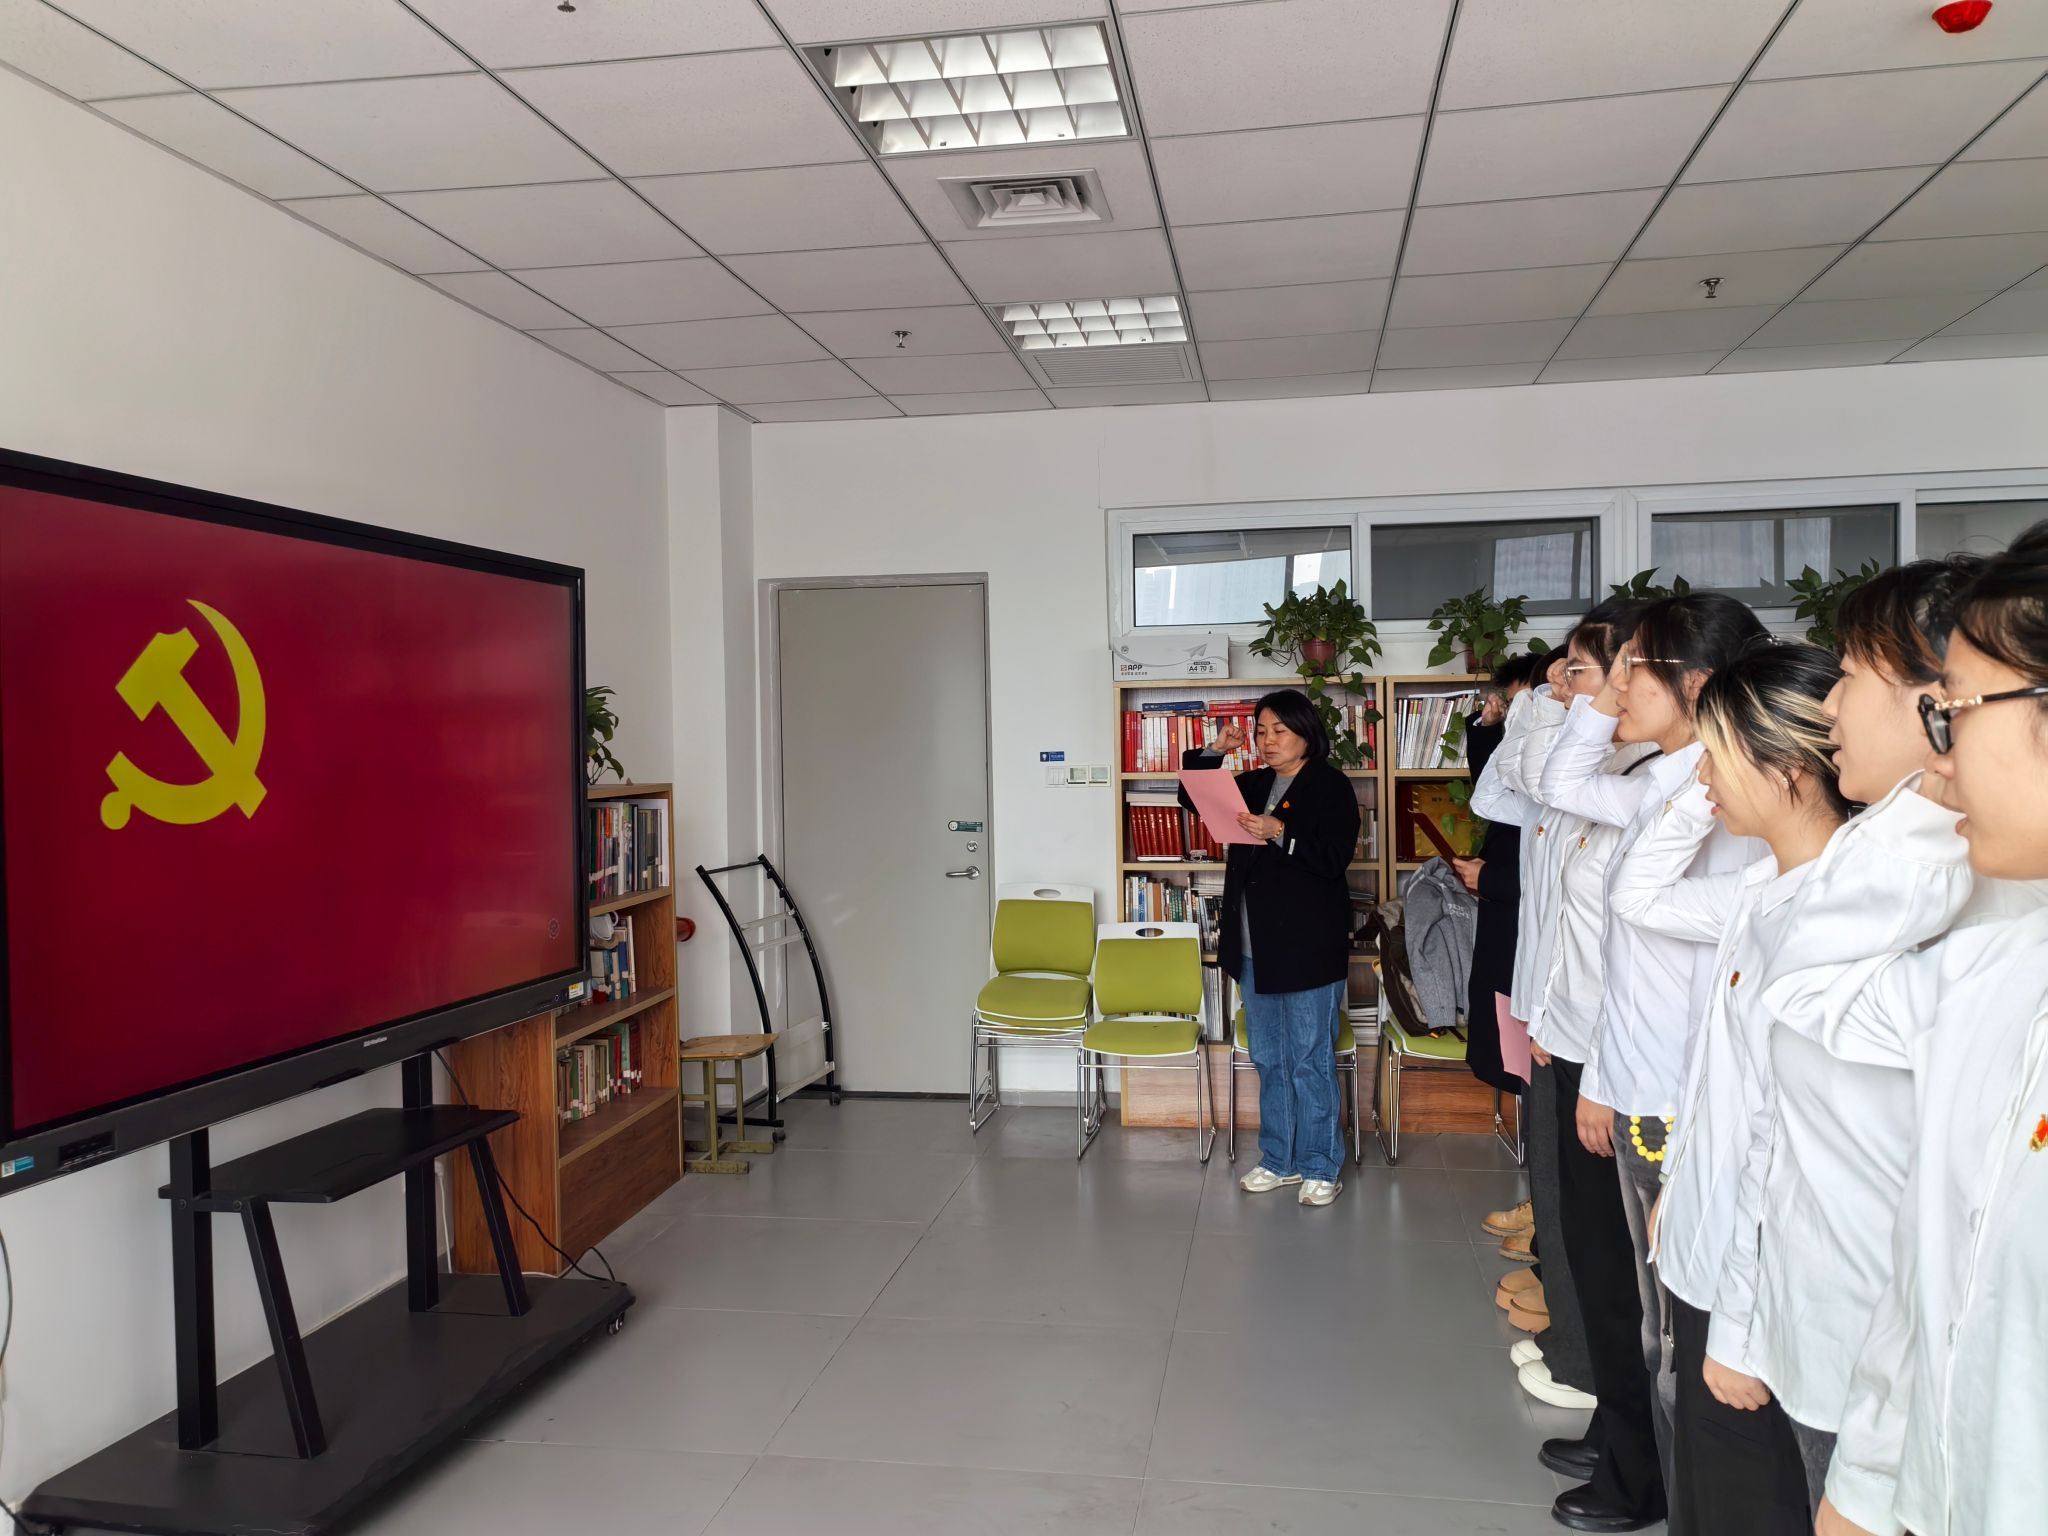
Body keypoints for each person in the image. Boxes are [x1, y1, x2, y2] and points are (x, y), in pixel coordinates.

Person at [1782, 526, 2048, 1536]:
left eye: (1955, 710)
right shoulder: (1992, 970)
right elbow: (1935, 1272)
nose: (1946, 750)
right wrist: (1865, 1484)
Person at [1718, 559, 1986, 1522]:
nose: (1828, 704)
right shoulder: (1881, 851)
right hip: (1832, 1338)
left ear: (1944, 702)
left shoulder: (1949, 882)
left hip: (1900, 1382)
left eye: (1852, 675)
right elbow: (1779, 1120)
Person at [1605, 642, 1853, 1535]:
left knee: (1754, 1499)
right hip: (1709, 1252)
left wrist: (1742, 1329)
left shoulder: (1834, 914)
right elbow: (1636, 892)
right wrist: (1681, 1193)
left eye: (1716, 755)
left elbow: (1779, 1139)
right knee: (1703, 1490)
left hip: (1760, 1301)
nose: (1700, 777)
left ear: (1788, 765)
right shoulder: (1758, 887)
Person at [1537, 591, 1769, 1534]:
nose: (1619, 687)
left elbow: (1694, 986)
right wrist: (1596, 690)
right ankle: (1637, 1460)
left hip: (1674, 1094)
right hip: (1632, 1077)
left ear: (1698, 684)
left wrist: (1615, 1083)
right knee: (1642, 1309)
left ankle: (1652, 1483)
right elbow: (1560, 780)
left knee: (1673, 1323)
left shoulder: (1727, 807)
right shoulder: (1662, 780)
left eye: (1637, 668)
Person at [1488, 599, 1668, 1531]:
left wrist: (1599, 1069)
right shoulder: (1602, 774)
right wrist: (1551, 704)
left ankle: (1642, 1464)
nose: (1579, 692)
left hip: (1619, 1063)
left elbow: (1637, 955)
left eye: (1588, 672)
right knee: (1595, 1261)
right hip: (1571, 1040)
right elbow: (1505, 790)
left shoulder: (1659, 786)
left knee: (1626, 1272)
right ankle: (1618, 1427)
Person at [1181, 688, 1361, 1208]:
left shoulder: (1330, 785)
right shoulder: (1254, 782)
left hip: (1306, 946)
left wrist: (1280, 831)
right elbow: (1192, 797)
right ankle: (1278, 1160)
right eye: (1260, 731)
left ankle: (1320, 1165)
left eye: (1279, 730)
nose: (1267, 740)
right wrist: (1215, 750)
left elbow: (1333, 858)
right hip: (1253, 944)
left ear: (1306, 732)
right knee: (1268, 1059)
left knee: (1309, 1058)